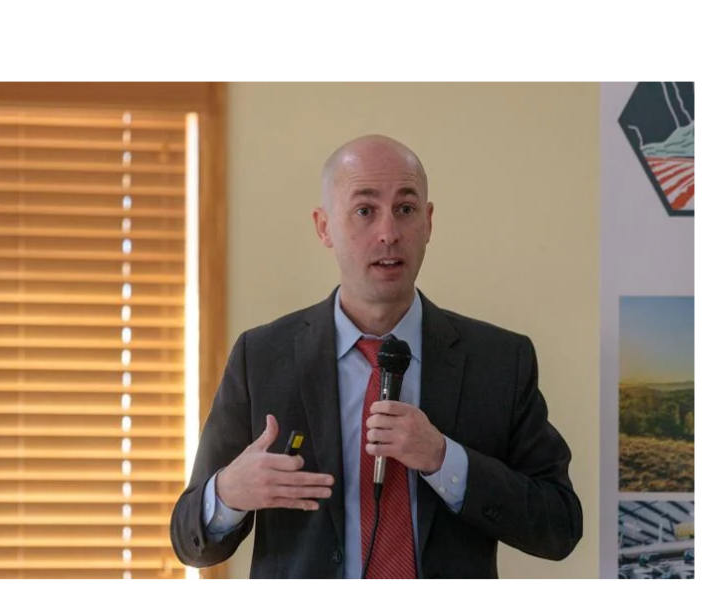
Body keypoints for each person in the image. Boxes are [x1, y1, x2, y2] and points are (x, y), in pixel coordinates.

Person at [170, 134, 583, 578]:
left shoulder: (500, 361)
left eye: (405, 210)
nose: (388, 232)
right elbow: (189, 540)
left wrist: (446, 460)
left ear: (428, 222)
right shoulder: (263, 358)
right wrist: (229, 492)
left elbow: (559, 525)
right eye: (365, 211)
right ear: (324, 226)